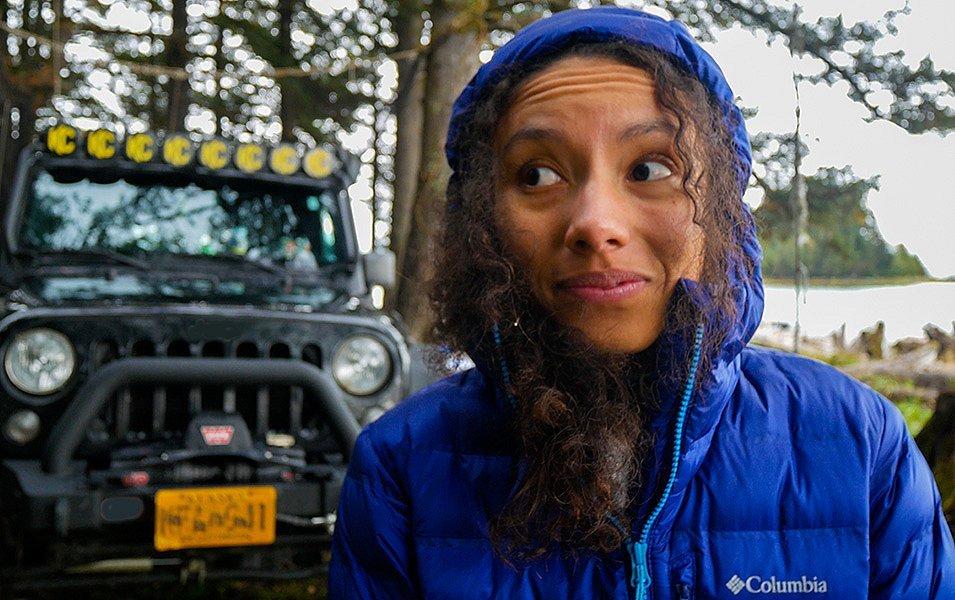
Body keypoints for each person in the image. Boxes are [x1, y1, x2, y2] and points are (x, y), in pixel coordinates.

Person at [329, 6, 955, 598]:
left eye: (651, 168)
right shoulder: (401, 470)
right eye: (536, 175)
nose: (595, 223)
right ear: (484, 221)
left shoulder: (861, 445)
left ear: (721, 211)